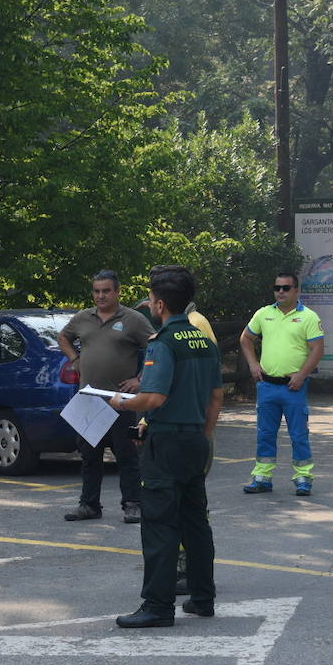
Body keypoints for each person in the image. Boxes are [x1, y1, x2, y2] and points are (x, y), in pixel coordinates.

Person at [110, 267, 223, 628]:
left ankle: (158, 606)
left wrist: (123, 404)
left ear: (158, 303)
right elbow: (216, 396)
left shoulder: (163, 342)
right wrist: (204, 435)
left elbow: (154, 397)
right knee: (196, 522)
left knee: (159, 523)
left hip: (168, 441)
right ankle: (203, 598)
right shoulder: (204, 341)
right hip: (194, 439)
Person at [57, 270, 154, 524]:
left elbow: (156, 346)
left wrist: (140, 379)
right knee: (89, 455)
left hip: (121, 400)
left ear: (117, 292)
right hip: (89, 399)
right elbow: (63, 338)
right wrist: (74, 358)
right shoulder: (82, 318)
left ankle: (132, 504)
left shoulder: (132, 319)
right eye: (97, 291)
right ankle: (89, 504)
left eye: (106, 291)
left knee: (127, 455)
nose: (101, 296)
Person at [239, 271, 325, 496]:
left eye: (286, 288)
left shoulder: (308, 317)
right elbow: (245, 338)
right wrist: (252, 364)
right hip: (267, 386)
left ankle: (303, 477)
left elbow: (318, 349)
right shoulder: (264, 314)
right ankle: (262, 477)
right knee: (265, 433)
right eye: (277, 288)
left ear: (297, 290)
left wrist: (302, 375)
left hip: (293, 387)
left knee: (298, 434)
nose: (281, 292)